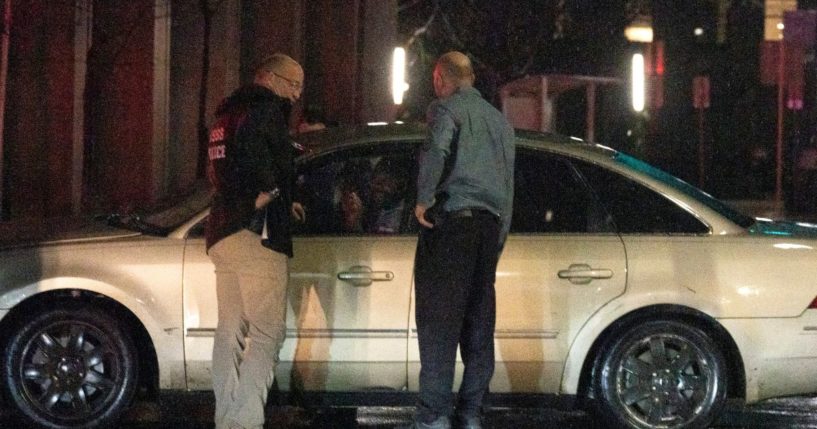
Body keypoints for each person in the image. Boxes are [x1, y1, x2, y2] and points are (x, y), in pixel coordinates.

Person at [410, 51, 515, 429]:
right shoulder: (501, 123)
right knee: (478, 326)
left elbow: (436, 151)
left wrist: (423, 201)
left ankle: (433, 415)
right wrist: (498, 239)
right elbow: (508, 187)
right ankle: (471, 413)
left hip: (453, 226)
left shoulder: (445, 110)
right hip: (488, 230)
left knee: (439, 326)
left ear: (441, 78)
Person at [204, 53, 306, 429]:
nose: (296, 94)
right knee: (266, 333)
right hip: (255, 234)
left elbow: (220, 167)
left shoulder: (224, 114)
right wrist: (268, 191)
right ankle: (245, 421)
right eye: (292, 84)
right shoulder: (266, 109)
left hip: (222, 231)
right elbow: (258, 157)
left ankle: (227, 417)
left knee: (230, 328)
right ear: (270, 78)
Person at [339, 156, 410, 234]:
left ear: (400, 184)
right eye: (374, 180)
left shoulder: (398, 216)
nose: (375, 187)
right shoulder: (379, 209)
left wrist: (355, 222)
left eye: (383, 182)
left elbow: (374, 244)